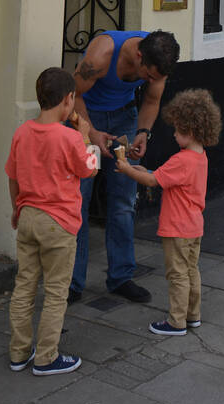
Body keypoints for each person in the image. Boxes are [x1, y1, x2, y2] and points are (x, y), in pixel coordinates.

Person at [69, 29, 180, 304]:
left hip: (125, 119)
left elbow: (152, 101)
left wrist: (143, 132)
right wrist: (91, 132)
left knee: (124, 200)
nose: (151, 81)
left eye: (157, 78)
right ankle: (71, 282)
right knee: (77, 200)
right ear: (139, 56)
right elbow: (71, 96)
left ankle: (121, 276)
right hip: (86, 117)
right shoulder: (102, 54)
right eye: (149, 75)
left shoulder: (158, 64)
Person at [5, 67, 99, 376]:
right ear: (69, 99)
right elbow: (89, 169)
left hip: (28, 216)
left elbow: (13, 176)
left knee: (24, 286)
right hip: (59, 222)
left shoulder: (22, 132)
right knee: (57, 291)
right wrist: (86, 137)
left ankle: (19, 352)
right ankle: (46, 357)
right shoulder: (70, 138)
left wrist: (16, 209)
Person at [115, 88, 222, 335]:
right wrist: (139, 169)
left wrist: (126, 168)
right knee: (191, 271)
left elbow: (154, 182)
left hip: (177, 229)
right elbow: (161, 177)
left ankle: (176, 321)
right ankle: (192, 315)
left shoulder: (181, 160)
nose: (173, 135)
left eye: (177, 130)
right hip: (194, 227)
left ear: (191, 130)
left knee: (176, 275)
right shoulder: (199, 157)